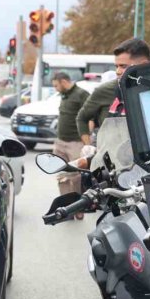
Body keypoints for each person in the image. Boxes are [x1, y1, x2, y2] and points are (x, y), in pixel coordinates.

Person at [75, 38, 150, 144]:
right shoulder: (104, 91)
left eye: (123, 66)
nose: (118, 71)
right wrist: (88, 146)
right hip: (109, 158)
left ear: (144, 64)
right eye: (116, 66)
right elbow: (82, 118)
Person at [51, 72, 90, 215]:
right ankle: (65, 208)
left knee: (76, 177)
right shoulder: (64, 94)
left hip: (75, 142)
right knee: (61, 175)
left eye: (56, 85)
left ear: (63, 81)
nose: (55, 88)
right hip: (60, 141)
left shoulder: (81, 94)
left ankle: (78, 207)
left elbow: (89, 117)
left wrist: (86, 142)